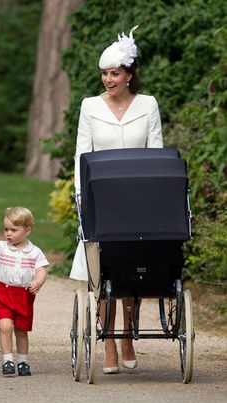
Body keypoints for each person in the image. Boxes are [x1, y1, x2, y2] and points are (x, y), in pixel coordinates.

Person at [70, 26, 163, 374]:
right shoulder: (90, 106)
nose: (108, 79)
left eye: (115, 73)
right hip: (102, 199)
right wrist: (81, 196)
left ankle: (128, 336)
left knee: (133, 272)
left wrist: (157, 197)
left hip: (139, 200)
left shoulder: (148, 105)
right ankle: (108, 341)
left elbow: (157, 152)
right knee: (104, 271)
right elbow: (83, 153)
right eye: (105, 74)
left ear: (129, 74)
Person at [0, 207, 48, 376]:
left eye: (14, 230)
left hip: (24, 295)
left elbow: (42, 270)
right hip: (4, 293)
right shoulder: (2, 247)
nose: (8, 233)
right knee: (5, 325)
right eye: (6, 229)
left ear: (27, 230)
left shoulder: (34, 252)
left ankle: (23, 361)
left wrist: (38, 282)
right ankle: (7, 360)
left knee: (22, 330)